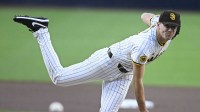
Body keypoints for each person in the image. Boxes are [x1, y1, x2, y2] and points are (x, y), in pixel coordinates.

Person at [13, 10, 181, 112]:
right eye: (166, 25)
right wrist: (143, 110)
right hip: (107, 62)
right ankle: (41, 30)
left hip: (123, 75)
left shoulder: (165, 32)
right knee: (59, 77)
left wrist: (153, 21)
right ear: (159, 25)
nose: (170, 30)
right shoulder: (145, 46)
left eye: (173, 27)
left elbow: (145, 15)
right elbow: (138, 82)